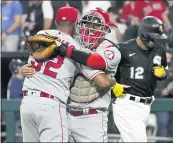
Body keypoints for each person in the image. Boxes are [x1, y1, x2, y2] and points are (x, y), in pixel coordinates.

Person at [20, 6, 124, 142]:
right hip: (62, 110)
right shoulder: (76, 45)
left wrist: (24, 68)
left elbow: (95, 61)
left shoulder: (110, 50)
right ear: (78, 24)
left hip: (91, 117)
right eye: (88, 24)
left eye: (96, 25)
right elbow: (103, 81)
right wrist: (111, 82)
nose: (91, 29)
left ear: (106, 29)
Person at [112, 16, 168, 142]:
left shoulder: (159, 50)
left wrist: (163, 74)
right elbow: (105, 69)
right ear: (143, 34)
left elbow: (163, 70)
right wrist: (112, 85)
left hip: (146, 106)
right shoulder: (123, 49)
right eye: (152, 36)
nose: (155, 40)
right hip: (127, 104)